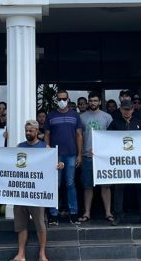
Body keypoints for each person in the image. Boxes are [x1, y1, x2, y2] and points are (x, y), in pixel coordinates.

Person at [12, 120, 64, 261]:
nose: (28, 133)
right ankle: (21, 254)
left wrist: (60, 164)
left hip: (37, 193)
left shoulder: (45, 148)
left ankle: (42, 254)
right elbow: (9, 164)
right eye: (26, 130)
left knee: (40, 224)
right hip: (21, 192)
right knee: (21, 224)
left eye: (31, 130)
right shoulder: (19, 147)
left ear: (37, 131)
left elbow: (53, 165)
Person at [108, 99, 141, 225]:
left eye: (129, 109)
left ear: (133, 110)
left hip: (136, 162)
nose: (127, 112)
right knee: (119, 188)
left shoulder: (140, 123)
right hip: (120, 162)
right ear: (120, 109)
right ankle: (118, 215)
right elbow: (106, 140)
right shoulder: (114, 123)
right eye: (124, 109)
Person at [44, 89, 83, 225]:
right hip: (55, 155)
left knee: (70, 184)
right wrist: (48, 150)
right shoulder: (51, 115)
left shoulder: (75, 115)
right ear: (56, 100)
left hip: (71, 154)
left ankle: (73, 213)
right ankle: (53, 214)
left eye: (64, 99)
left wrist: (79, 154)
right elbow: (47, 134)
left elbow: (79, 135)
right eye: (59, 99)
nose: (62, 101)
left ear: (68, 99)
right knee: (56, 185)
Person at [78, 92, 113, 223]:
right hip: (87, 156)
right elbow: (79, 137)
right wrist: (80, 154)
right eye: (91, 100)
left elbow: (112, 138)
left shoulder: (107, 117)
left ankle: (108, 213)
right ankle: (87, 213)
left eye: (95, 100)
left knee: (106, 186)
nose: (93, 103)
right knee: (87, 186)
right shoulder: (81, 117)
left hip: (103, 157)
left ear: (99, 102)